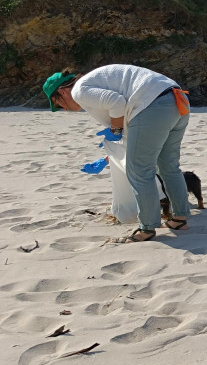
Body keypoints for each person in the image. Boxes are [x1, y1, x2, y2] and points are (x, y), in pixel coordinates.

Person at [43, 64, 191, 242]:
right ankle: (180, 219)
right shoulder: (96, 83)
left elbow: (117, 103)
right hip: (177, 99)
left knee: (139, 170)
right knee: (168, 165)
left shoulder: (80, 91)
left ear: (62, 91)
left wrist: (114, 130)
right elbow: (135, 140)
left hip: (153, 104)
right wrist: (107, 158)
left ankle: (147, 228)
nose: (62, 109)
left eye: (57, 104)